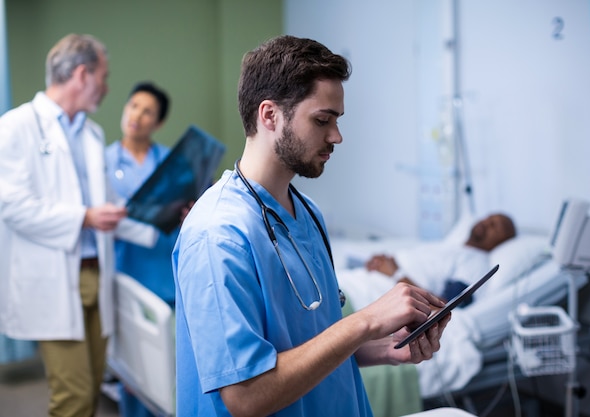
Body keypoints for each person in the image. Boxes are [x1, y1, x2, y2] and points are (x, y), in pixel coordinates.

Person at [173, 35, 450, 417]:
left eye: (337, 120)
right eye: (322, 120)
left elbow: (308, 346)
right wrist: (365, 322)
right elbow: (245, 396)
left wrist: (386, 348)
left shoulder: (307, 214)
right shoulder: (219, 234)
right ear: (269, 115)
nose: (336, 136)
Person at [0, 34, 156, 417]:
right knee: (73, 397)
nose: (106, 87)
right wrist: (83, 217)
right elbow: (12, 205)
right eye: (103, 77)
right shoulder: (16, 126)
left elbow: (109, 208)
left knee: (89, 393)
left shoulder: (92, 133)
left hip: (96, 275)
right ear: (82, 74)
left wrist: (164, 221)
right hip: (53, 279)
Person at [105, 81, 180, 417]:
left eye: (147, 111)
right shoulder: (103, 162)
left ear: (158, 122)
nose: (136, 115)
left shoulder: (171, 162)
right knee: (135, 375)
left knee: (171, 369)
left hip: (168, 275)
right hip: (128, 274)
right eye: (133, 105)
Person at [340, 213, 516, 312]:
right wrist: (381, 263)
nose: (486, 223)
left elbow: (446, 307)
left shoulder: (476, 263)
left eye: (495, 226)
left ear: (501, 242)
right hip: (360, 282)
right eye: (488, 218)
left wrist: (395, 274)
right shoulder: (450, 247)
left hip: (375, 294)